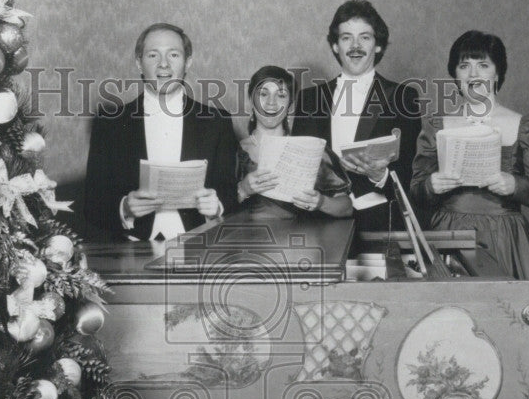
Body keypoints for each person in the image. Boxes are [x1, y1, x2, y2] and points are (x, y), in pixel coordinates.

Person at [410, 30, 529, 304]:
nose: (473, 74)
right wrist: (431, 185)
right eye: (464, 65)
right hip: (448, 233)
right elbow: (416, 190)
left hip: (505, 238)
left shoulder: (524, 125)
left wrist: (515, 184)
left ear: (497, 74)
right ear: (455, 75)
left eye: (483, 65)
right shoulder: (437, 125)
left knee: (507, 321)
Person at [82, 22, 238, 240]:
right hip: (131, 253)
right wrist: (124, 208)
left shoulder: (217, 122)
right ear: (139, 63)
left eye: (173, 55)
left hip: (198, 251)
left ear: (188, 62)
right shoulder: (109, 124)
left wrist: (217, 206)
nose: (163, 65)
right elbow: (92, 203)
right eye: (153, 55)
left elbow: (230, 193)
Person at [293, 0, 420, 233]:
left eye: (365, 37)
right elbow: (299, 168)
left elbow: (412, 173)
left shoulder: (403, 97)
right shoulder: (310, 99)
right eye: (346, 38)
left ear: (378, 46)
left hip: (379, 223)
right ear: (335, 46)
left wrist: (380, 175)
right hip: (321, 222)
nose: (355, 46)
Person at [235, 65, 352, 219]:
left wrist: (321, 202)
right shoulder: (233, 151)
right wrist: (242, 190)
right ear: (251, 100)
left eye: (281, 95)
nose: (272, 102)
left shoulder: (311, 149)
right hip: (246, 240)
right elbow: (215, 209)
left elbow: (347, 207)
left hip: (304, 240)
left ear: (290, 105)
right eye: (263, 94)